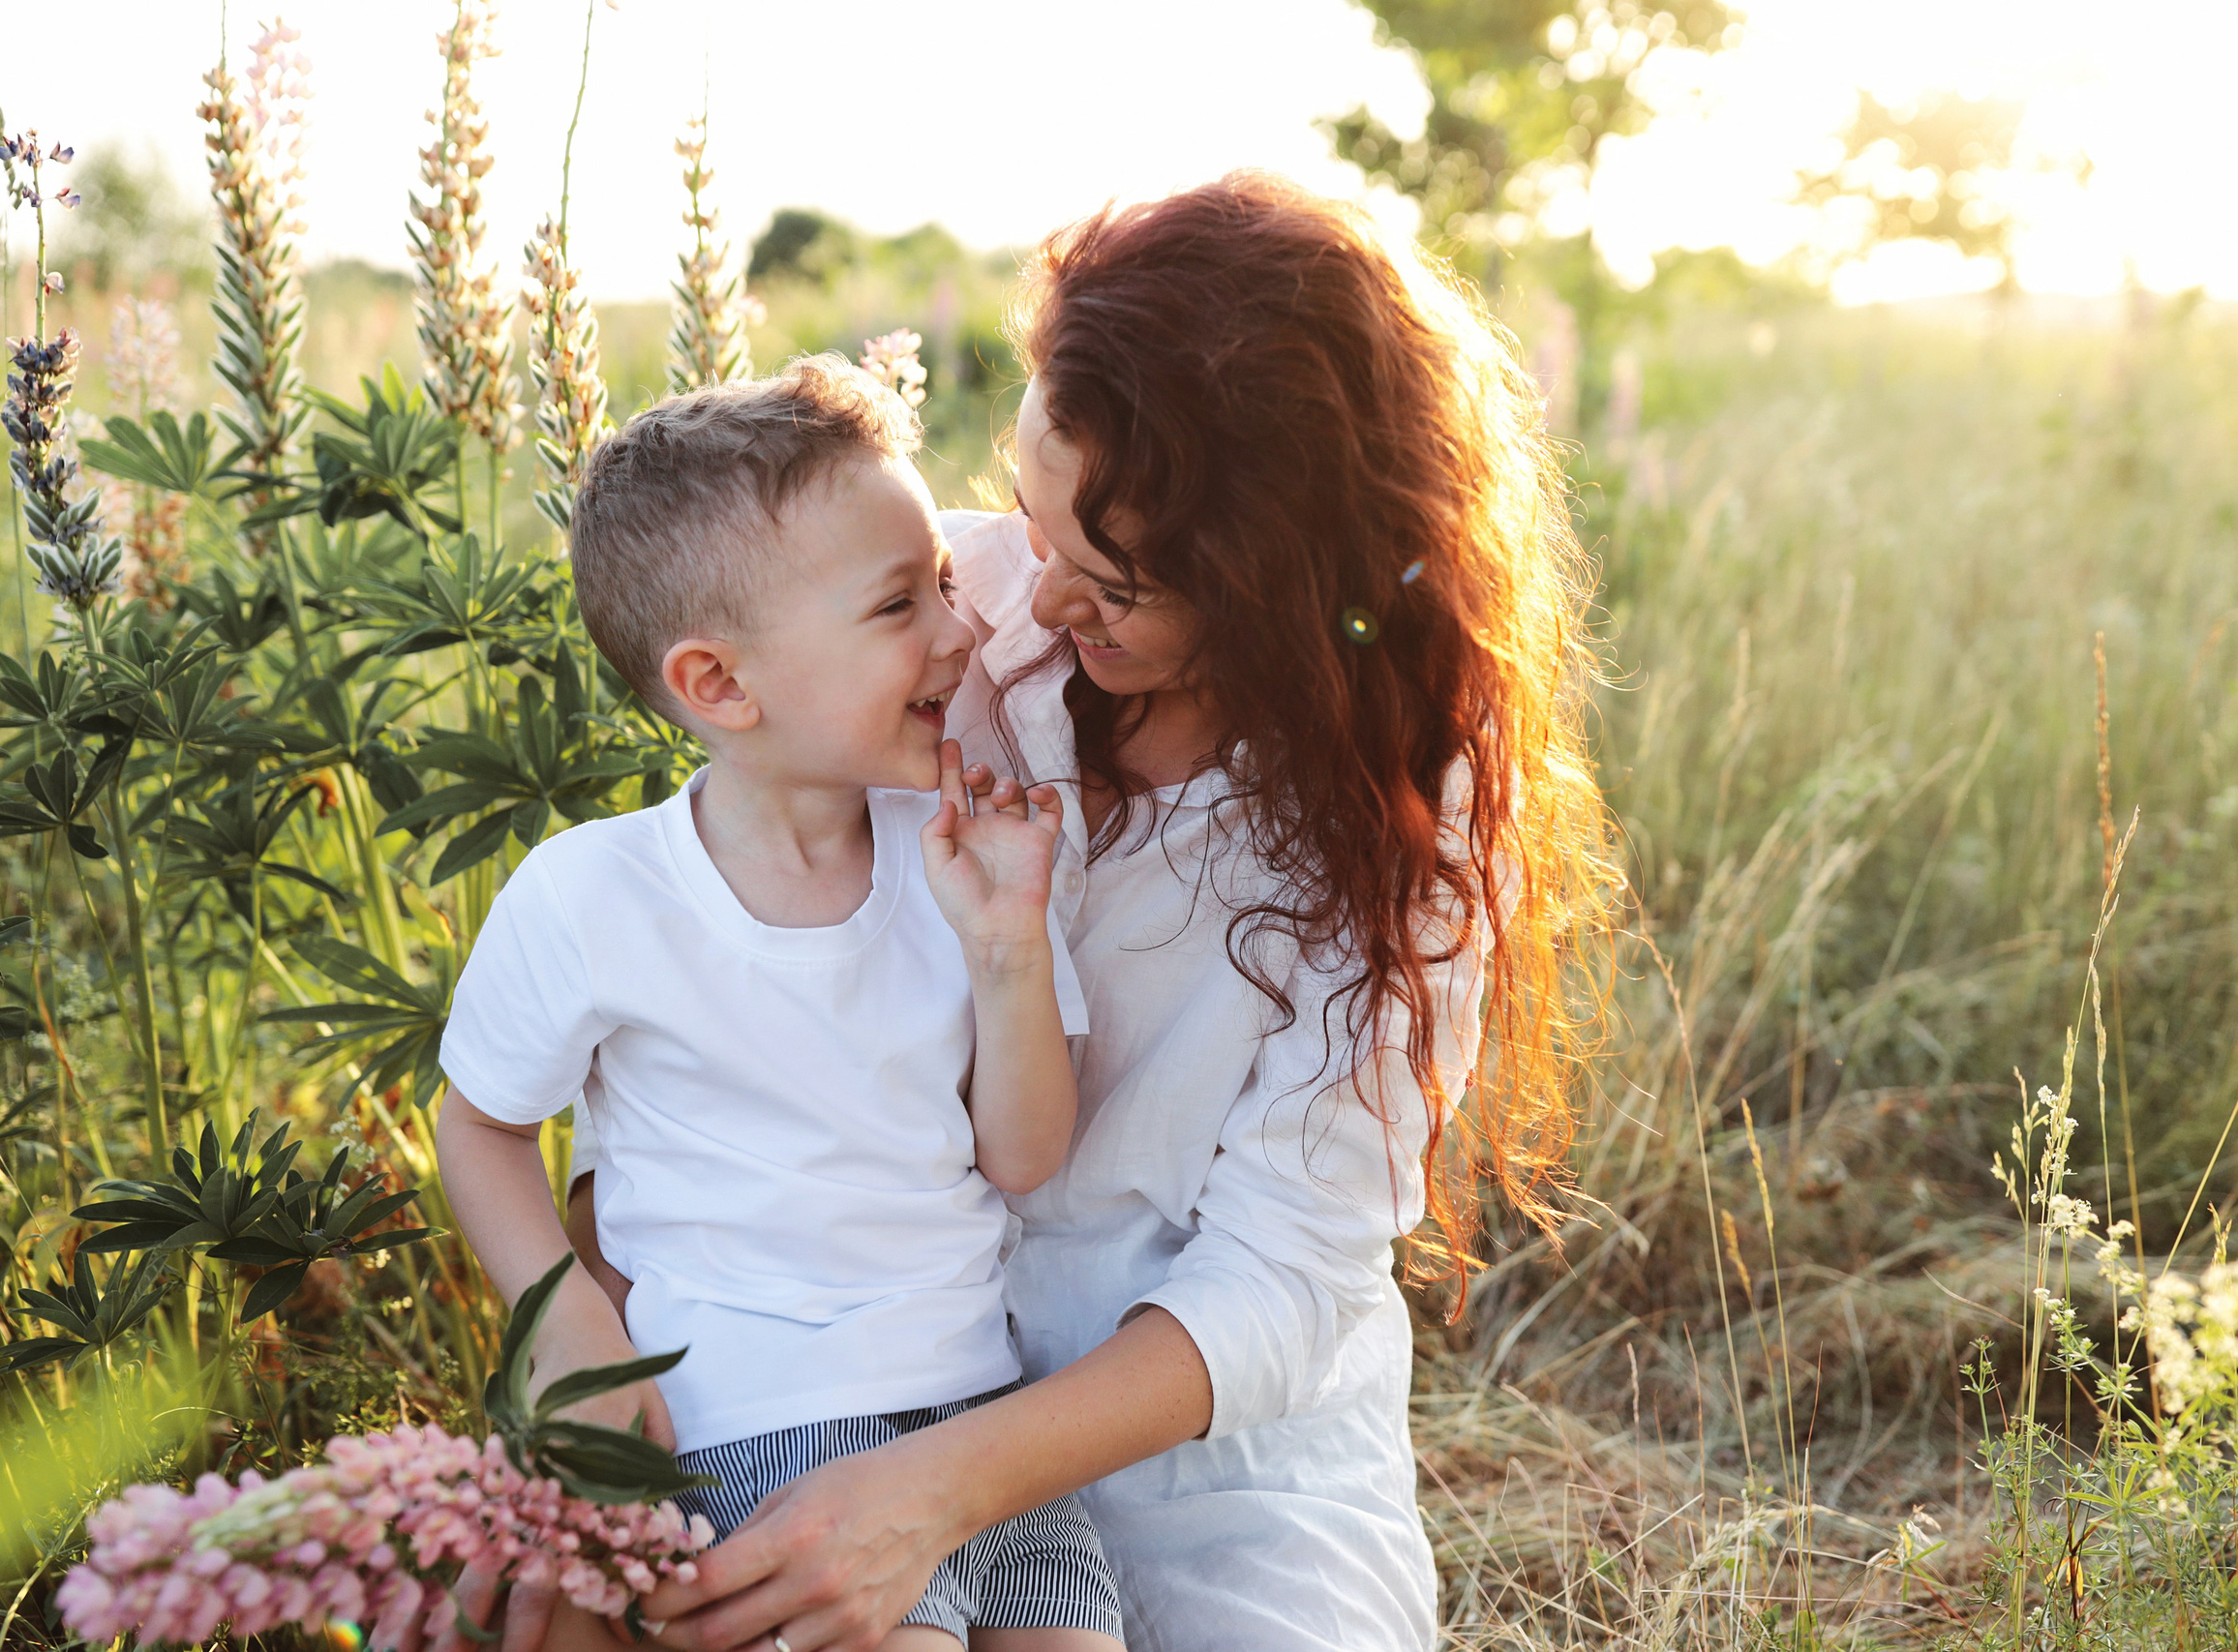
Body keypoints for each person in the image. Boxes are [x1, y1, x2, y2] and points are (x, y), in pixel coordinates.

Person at [484, 169, 1609, 1652]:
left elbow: (1287, 1272)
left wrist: (932, 1490)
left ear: (1275, 577)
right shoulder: (926, 618)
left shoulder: (1419, 801)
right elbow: (708, 1013)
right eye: (1029, 518)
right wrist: (582, 1351)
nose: (1035, 597)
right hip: (821, 1363)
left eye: (1118, 582)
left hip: (1185, 1426)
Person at [432, 360, 1127, 1652]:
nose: (960, 633)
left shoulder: (961, 862)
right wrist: (565, 1318)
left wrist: (1008, 950)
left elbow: (1026, 1157)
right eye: (897, 604)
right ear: (720, 685)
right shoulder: (594, 895)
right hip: (763, 1432)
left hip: (988, 1428)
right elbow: (478, 1125)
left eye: (945, 583)